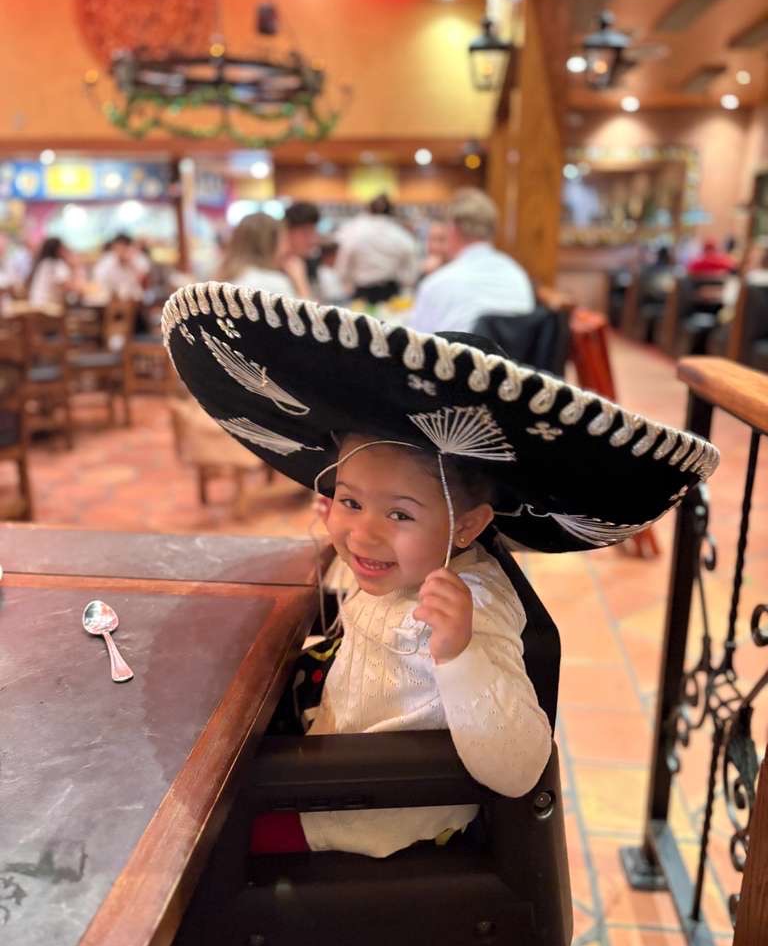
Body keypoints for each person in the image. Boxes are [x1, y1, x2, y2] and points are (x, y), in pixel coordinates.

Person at [164, 282, 720, 859]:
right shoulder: (410, 561)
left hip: (361, 816)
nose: (363, 534)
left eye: (399, 513)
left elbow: (520, 770)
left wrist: (461, 656)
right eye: (350, 501)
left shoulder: (467, 614)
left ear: (468, 525)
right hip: (332, 748)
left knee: (204, 838)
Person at [409, 188, 535, 333]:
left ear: (452, 228)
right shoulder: (518, 275)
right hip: (509, 349)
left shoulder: (436, 284)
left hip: (456, 349)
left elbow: (413, 344)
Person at [335, 193, 419, 303]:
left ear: (368, 209)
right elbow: (411, 262)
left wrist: (345, 281)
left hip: (362, 291)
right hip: (391, 291)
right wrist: (407, 282)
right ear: (391, 211)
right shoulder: (399, 233)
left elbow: (343, 261)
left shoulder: (354, 230)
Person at [219, 212, 295, 296]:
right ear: (271, 244)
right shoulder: (276, 283)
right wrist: (300, 282)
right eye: (283, 241)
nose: (287, 247)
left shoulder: (220, 277)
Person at [278, 200, 319, 300]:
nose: (313, 240)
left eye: (313, 232)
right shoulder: (273, 272)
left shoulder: (308, 264)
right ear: (286, 232)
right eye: (306, 233)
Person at [92, 233, 150, 302]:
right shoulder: (107, 260)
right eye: (117, 248)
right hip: (110, 298)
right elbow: (98, 280)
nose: (120, 252)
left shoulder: (139, 258)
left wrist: (130, 264)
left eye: (123, 248)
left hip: (134, 298)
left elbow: (144, 283)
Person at [26, 236, 79, 308]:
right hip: (48, 309)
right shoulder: (57, 264)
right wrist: (75, 267)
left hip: (35, 306)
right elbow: (70, 288)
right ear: (59, 250)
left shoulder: (43, 263)